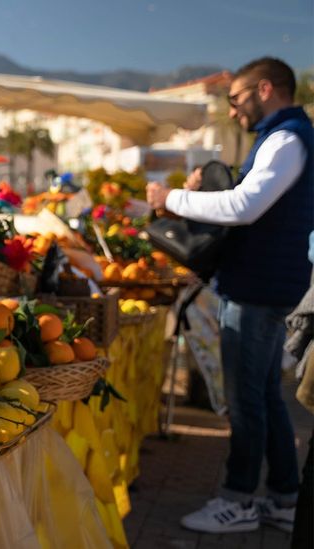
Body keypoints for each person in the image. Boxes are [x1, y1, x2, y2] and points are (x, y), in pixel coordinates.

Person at [147, 57, 313, 534]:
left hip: (258, 288)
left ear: (265, 90)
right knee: (264, 397)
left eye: (236, 99)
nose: (234, 111)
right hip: (268, 284)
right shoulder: (285, 137)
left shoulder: (285, 138)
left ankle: (238, 499)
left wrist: (172, 200)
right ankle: (284, 497)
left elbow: (245, 206)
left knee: (245, 402)